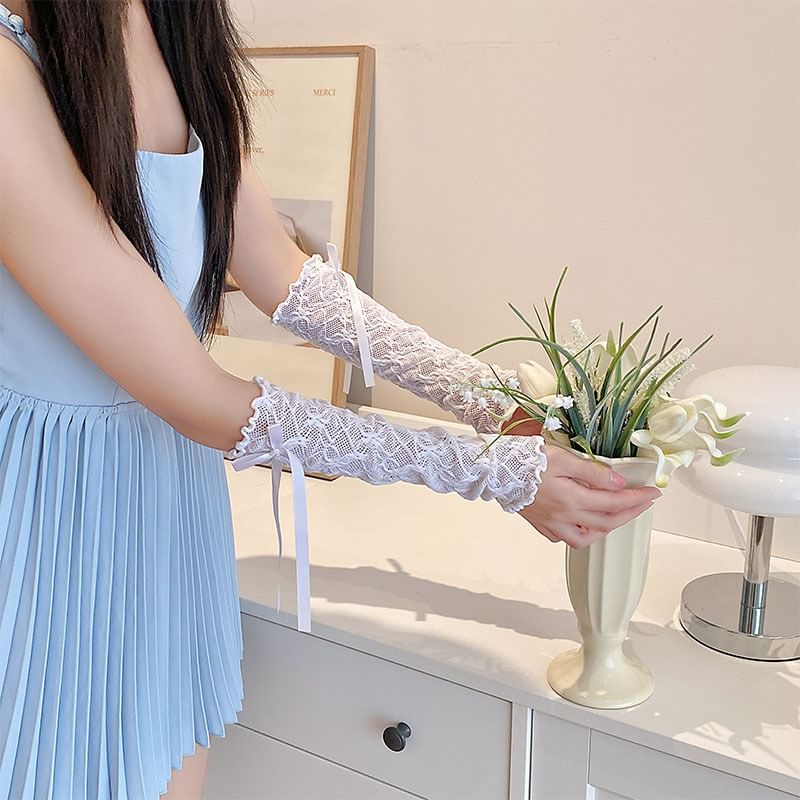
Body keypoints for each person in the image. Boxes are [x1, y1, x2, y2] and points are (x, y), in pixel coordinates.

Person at [0, 1, 661, 797]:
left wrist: (491, 403)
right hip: (52, 510)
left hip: (164, 493)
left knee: (165, 748)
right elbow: (195, 392)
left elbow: (283, 274)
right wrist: (496, 472)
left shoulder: (171, 24)